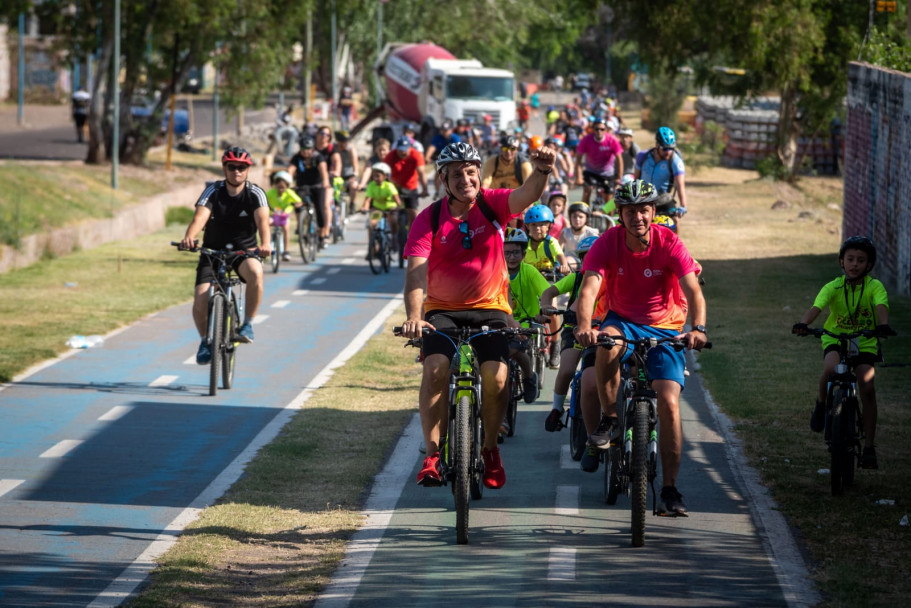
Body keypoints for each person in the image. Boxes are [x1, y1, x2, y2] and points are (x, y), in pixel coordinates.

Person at [400, 141, 557, 490]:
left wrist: (543, 169)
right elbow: (415, 273)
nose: (465, 179)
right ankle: (432, 455)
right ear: (443, 179)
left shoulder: (492, 203)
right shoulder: (429, 218)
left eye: (471, 172)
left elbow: (527, 194)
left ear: (479, 175)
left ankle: (489, 450)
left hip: (492, 310)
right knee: (436, 369)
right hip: (443, 311)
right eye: (457, 174)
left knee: (497, 378)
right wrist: (414, 316)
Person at [574, 179, 707, 516]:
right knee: (606, 346)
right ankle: (611, 419)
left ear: (652, 212)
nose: (638, 217)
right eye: (630, 211)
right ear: (620, 214)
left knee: (669, 402)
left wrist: (698, 329)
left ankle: (670, 490)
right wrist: (585, 326)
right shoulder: (607, 242)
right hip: (623, 319)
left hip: (667, 325)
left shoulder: (669, 242)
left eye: (644, 210)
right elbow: (589, 289)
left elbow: (693, 290)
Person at [792, 236, 895, 469]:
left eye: (861, 260)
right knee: (830, 369)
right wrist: (803, 323)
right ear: (841, 262)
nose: (855, 264)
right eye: (850, 259)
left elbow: (881, 306)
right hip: (835, 337)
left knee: (867, 386)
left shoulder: (874, 286)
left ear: (869, 265)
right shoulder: (833, 286)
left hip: (865, 340)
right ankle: (821, 404)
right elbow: (817, 307)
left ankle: (868, 446)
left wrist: (883, 325)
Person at [180, 147, 271, 363]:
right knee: (201, 298)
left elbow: (263, 221)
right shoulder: (213, 191)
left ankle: (247, 324)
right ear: (224, 168)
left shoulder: (255, 193)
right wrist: (189, 237)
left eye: (241, 167)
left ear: (248, 170)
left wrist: (266, 243)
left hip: (244, 252)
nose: (236, 171)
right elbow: (200, 217)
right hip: (212, 251)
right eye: (232, 167)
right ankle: (204, 341)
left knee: (256, 272)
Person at [541, 235, 599, 431]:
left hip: (602, 333)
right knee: (566, 370)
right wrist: (547, 306)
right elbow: (548, 293)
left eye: (595, 256)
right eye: (585, 257)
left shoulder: (611, 280)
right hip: (573, 330)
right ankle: (557, 409)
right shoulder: (575, 279)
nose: (590, 261)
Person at [503, 227, 546, 406]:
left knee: (515, 351)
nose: (511, 257)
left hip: (527, 323)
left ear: (523, 254)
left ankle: (529, 378)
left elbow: (546, 292)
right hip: (501, 323)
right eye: (506, 253)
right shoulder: (495, 272)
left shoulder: (529, 271)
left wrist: (544, 311)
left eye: (515, 253)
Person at [287, 135, 333, 247]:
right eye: (303, 149)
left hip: (317, 186)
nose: (306, 152)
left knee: (320, 209)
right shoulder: (296, 157)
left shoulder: (318, 157)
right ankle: (300, 224)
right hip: (302, 186)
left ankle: (322, 235)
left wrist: (326, 182)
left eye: (308, 149)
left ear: (312, 149)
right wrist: (287, 182)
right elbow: (290, 170)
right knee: (297, 204)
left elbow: (323, 170)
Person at [635, 126, 687, 217]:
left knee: (675, 220)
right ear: (657, 145)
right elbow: (635, 179)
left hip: (663, 198)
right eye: (665, 149)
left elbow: (680, 184)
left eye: (671, 148)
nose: (668, 152)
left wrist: (683, 205)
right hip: (643, 198)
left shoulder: (675, 161)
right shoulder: (642, 156)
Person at [575, 116, 623, 205]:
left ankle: (609, 218)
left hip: (607, 173)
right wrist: (578, 177)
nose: (599, 131)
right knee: (587, 190)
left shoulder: (612, 140)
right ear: (593, 129)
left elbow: (619, 159)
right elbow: (578, 159)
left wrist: (619, 177)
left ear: (606, 130)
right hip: (591, 172)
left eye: (602, 129)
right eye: (596, 129)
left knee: (610, 197)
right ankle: (585, 215)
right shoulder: (586, 140)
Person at [384, 136, 429, 227]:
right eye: (400, 150)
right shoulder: (391, 156)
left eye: (405, 149)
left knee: (413, 212)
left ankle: (413, 234)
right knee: (392, 212)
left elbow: (421, 173)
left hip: (411, 187)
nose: (403, 152)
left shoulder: (416, 155)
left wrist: (425, 189)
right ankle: (391, 235)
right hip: (395, 187)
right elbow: (384, 171)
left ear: (410, 147)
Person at [361, 162, 402, 246]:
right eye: (374, 176)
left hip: (390, 209)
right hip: (377, 209)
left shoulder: (389, 186)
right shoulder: (371, 185)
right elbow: (368, 199)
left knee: (393, 222)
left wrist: (398, 206)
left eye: (378, 176)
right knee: (371, 224)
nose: (375, 178)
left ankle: (394, 239)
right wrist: (365, 207)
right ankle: (372, 247)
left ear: (385, 176)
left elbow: (397, 199)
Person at [523, 204, 571, 275]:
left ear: (548, 226)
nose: (537, 228)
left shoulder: (550, 242)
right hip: (529, 279)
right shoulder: (524, 243)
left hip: (549, 278)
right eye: (533, 225)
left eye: (542, 224)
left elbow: (559, 255)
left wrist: (564, 265)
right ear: (527, 226)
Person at [265, 170, 301, 261]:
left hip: (284, 217)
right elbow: (263, 199)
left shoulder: (289, 192)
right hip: (273, 216)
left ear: (287, 186)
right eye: (278, 187)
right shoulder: (271, 192)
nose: (280, 190)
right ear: (275, 185)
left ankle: (286, 251)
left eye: (283, 188)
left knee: (286, 228)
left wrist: (292, 206)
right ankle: (267, 245)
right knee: (267, 224)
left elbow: (298, 201)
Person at [329, 130, 360, 214]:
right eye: (343, 142)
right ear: (338, 142)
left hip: (349, 175)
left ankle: (352, 204)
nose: (345, 144)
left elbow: (355, 164)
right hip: (336, 175)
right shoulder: (333, 149)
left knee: (354, 186)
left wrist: (355, 175)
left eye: (347, 142)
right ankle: (335, 203)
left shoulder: (351, 149)